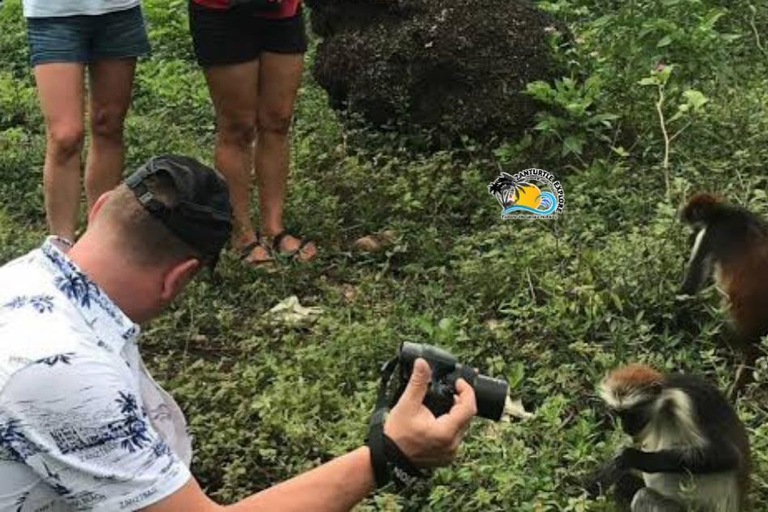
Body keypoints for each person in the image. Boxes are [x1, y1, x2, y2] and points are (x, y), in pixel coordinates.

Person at [0, 155, 476, 511]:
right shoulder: (64, 370)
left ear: (101, 206)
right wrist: (388, 453)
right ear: (179, 279)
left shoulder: (27, 279)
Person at [188, 0, 317, 266]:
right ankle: (241, 234)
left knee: (278, 120)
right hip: (221, 12)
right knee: (237, 127)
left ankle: (274, 228)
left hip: (282, 10)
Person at [22, 0, 150, 243]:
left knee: (108, 125)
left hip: (119, 12)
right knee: (65, 136)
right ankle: (60, 246)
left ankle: (99, 237)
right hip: (53, 15)